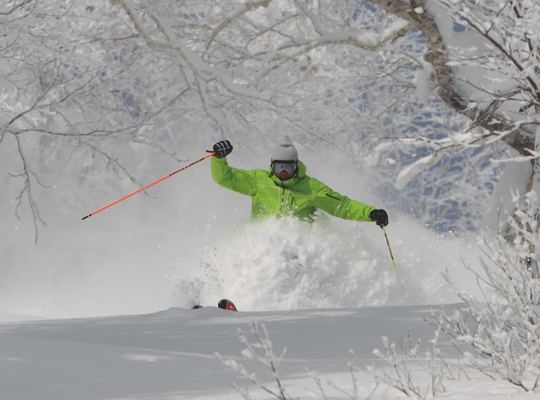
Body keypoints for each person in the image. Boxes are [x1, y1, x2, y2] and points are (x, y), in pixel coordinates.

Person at [209, 136, 389, 227]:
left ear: (296, 166)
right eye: (280, 167)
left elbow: (342, 206)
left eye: (289, 168)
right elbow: (225, 178)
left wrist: (371, 213)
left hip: (299, 246)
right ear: (272, 166)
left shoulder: (311, 188)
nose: (284, 173)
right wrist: (218, 158)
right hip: (262, 242)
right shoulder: (258, 181)